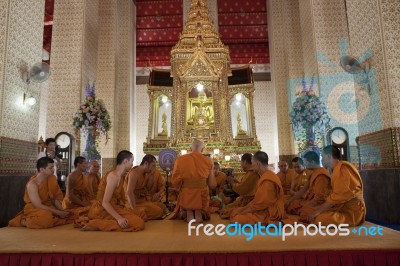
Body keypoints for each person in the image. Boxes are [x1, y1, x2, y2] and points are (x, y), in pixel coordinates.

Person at [80, 150, 145, 232]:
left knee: (140, 214)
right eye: (131, 161)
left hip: (114, 207)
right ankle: (96, 224)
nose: (132, 164)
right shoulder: (113, 176)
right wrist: (119, 218)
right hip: (102, 210)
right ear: (125, 161)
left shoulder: (120, 176)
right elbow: (105, 202)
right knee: (138, 223)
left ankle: (109, 222)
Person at [304, 145, 366, 226]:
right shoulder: (334, 169)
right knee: (309, 212)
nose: (321, 160)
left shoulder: (343, 168)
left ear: (329, 156)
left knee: (320, 219)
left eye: (322, 157)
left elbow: (338, 195)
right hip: (340, 207)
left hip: (351, 212)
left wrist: (318, 211)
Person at [9, 157, 72, 229]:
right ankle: (22, 221)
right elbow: (38, 204)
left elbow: (54, 199)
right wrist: (58, 213)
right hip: (34, 208)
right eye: (51, 168)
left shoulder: (52, 178)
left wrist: (62, 210)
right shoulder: (32, 184)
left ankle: (54, 219)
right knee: (46, 218)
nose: (53, 169)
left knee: (71, 214)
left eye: (53, 167)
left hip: (49, 206)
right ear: (42, 169)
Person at [230, 151, 289, 225]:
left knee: (237, 218)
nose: (252, 166)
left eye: (252, 163)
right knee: (235, 212)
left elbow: (261, 204)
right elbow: (257, 201)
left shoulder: (268, 179)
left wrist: (243, 211)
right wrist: (242, 209)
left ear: (257, 164)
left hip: (271, 212)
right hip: (262, 208)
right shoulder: (265, 176)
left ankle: (274, 222)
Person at [171, 139, 216, 223]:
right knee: (199, 207)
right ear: (202, 149)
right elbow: (211, 184)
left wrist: (180, 187)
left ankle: (189, 213)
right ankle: (198, 213)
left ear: (190, 148)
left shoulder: (180, 160)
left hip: (187, 194)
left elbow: (175, 180)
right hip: (202, 194)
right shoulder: (208, 161)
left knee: (186, 192)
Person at [286, 150, 331, 218]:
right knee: (289, 203)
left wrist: (305, 207)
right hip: (310, 200)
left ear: (312, 162)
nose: (304, 164)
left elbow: (319, 199)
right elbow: (303, 190)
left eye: (305, 162)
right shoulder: (313, 173)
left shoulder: (321, 175)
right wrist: (289, 201)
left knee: (305, 213)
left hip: (320, 204)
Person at [125, 155, 166, 220]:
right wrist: (135, 209)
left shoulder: (145, 173)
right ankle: (133, 213)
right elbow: (129, 193)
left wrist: (151, 175)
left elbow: (148, 188)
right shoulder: (134, 173)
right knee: (159, 212)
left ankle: (142, 213)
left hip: (142, 201)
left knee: (163, 207)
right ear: (146, 163)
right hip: (133, 202)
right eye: (153, 165)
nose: (154, 168)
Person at [220, 153, 259, 219]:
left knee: (226, 211)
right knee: (227, 208)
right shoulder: (250, 173)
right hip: (244, 199)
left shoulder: (252, 173)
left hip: (249, 202)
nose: (241, 165)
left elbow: (242, 189)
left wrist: (232, 183)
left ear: (245, 162)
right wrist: (236, 181)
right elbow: (245, 185)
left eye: (241, 163)